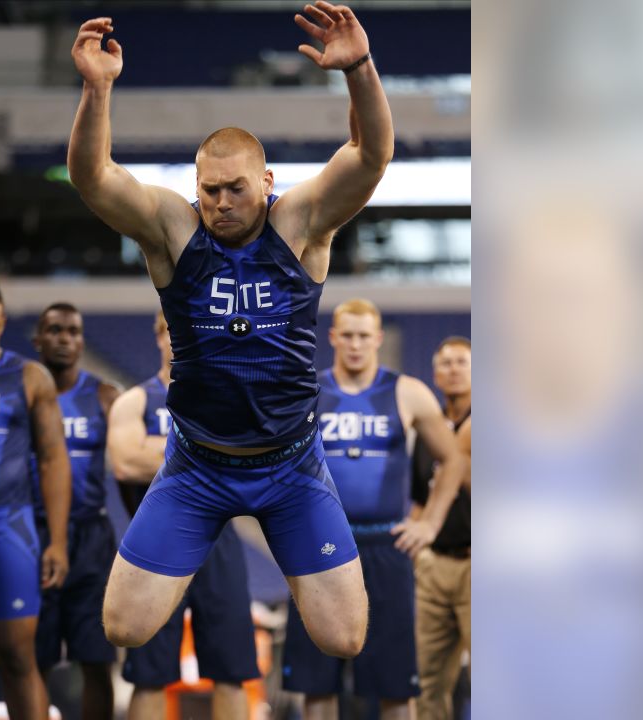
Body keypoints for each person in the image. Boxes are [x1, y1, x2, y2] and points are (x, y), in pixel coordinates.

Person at [67, 0, 395, 658]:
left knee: (345, 638)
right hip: (197, 466)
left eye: (235, 189)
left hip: (290, 465)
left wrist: (359, 68)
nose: (220, 202)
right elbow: (93, 178)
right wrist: (97, 89)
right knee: (123, 628)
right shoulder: (173, 227)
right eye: (209, 189)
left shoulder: (300, 224)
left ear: (267, 181)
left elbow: (368, 156)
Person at [282, 300, 467, 720]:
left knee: (394, 684)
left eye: (364, 335)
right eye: (347, 334)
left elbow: (454, 459)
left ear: (378, 339)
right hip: (320, 548)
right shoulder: (307, 392)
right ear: (332, 337)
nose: (355, 344)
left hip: (386, 546)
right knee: (317, 682)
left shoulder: (407, 392)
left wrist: (431, 523)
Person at [107, 311, 261, 720]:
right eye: (173, 333)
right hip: (157, 543)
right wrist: (202, 450)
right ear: (159, 337)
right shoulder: (135, 401)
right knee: (150, 673)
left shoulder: (224, 401)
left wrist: (154, 450)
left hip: (218, 543)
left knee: (232, 671)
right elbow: (124, 463)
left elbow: (241, 463)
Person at [29, 302, 122, 720]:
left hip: (90, 538)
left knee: (96, 659)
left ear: (82, 340)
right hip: (32, 533)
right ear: (38, 340)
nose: (64, 339)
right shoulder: (20, 395)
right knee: (32, 659)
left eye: (72, 331)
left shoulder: (104, 396)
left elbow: (131, 469)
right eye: (54, 330)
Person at [0, 282, 71, 720]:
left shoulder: (27, 377)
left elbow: (53, 459)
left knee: (17, 655)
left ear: (2, 321)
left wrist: (56, 541)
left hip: (8, 525)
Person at [410, 336, 472, 720]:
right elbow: (419, 499)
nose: (453, 369)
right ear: (434, 374)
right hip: (434, 567)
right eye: (445, 363)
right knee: (427, 683)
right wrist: (418, 555)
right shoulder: (426, 432)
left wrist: (458, 459)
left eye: (462, 362)